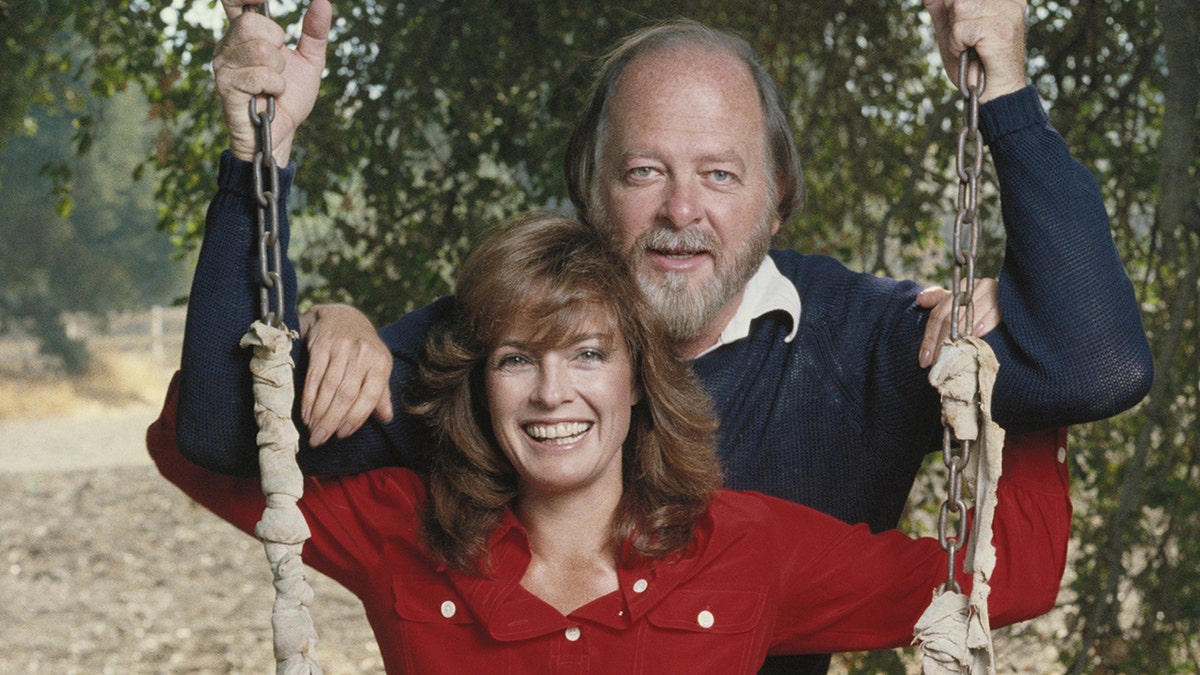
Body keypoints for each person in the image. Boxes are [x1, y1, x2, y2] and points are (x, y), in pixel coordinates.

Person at [174, 1, 1153, 671]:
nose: (682, 208)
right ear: (593, 195)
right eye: (644, 171)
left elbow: (1094, 366)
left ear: (777, 203)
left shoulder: (873, 341)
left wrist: (1007, 99)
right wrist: (311, 315)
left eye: (720, 175)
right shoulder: (483, 347)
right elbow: (226, 438)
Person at [151, 210, 1073, 673]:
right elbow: (200, 437)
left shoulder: (746, 548)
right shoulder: (405, 529)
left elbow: (1008, 580)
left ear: (640, 376)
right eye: (518, 358)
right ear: (480, 382)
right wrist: (322, 324)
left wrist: (1016, 376)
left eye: (588, 354)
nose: (555, 392)